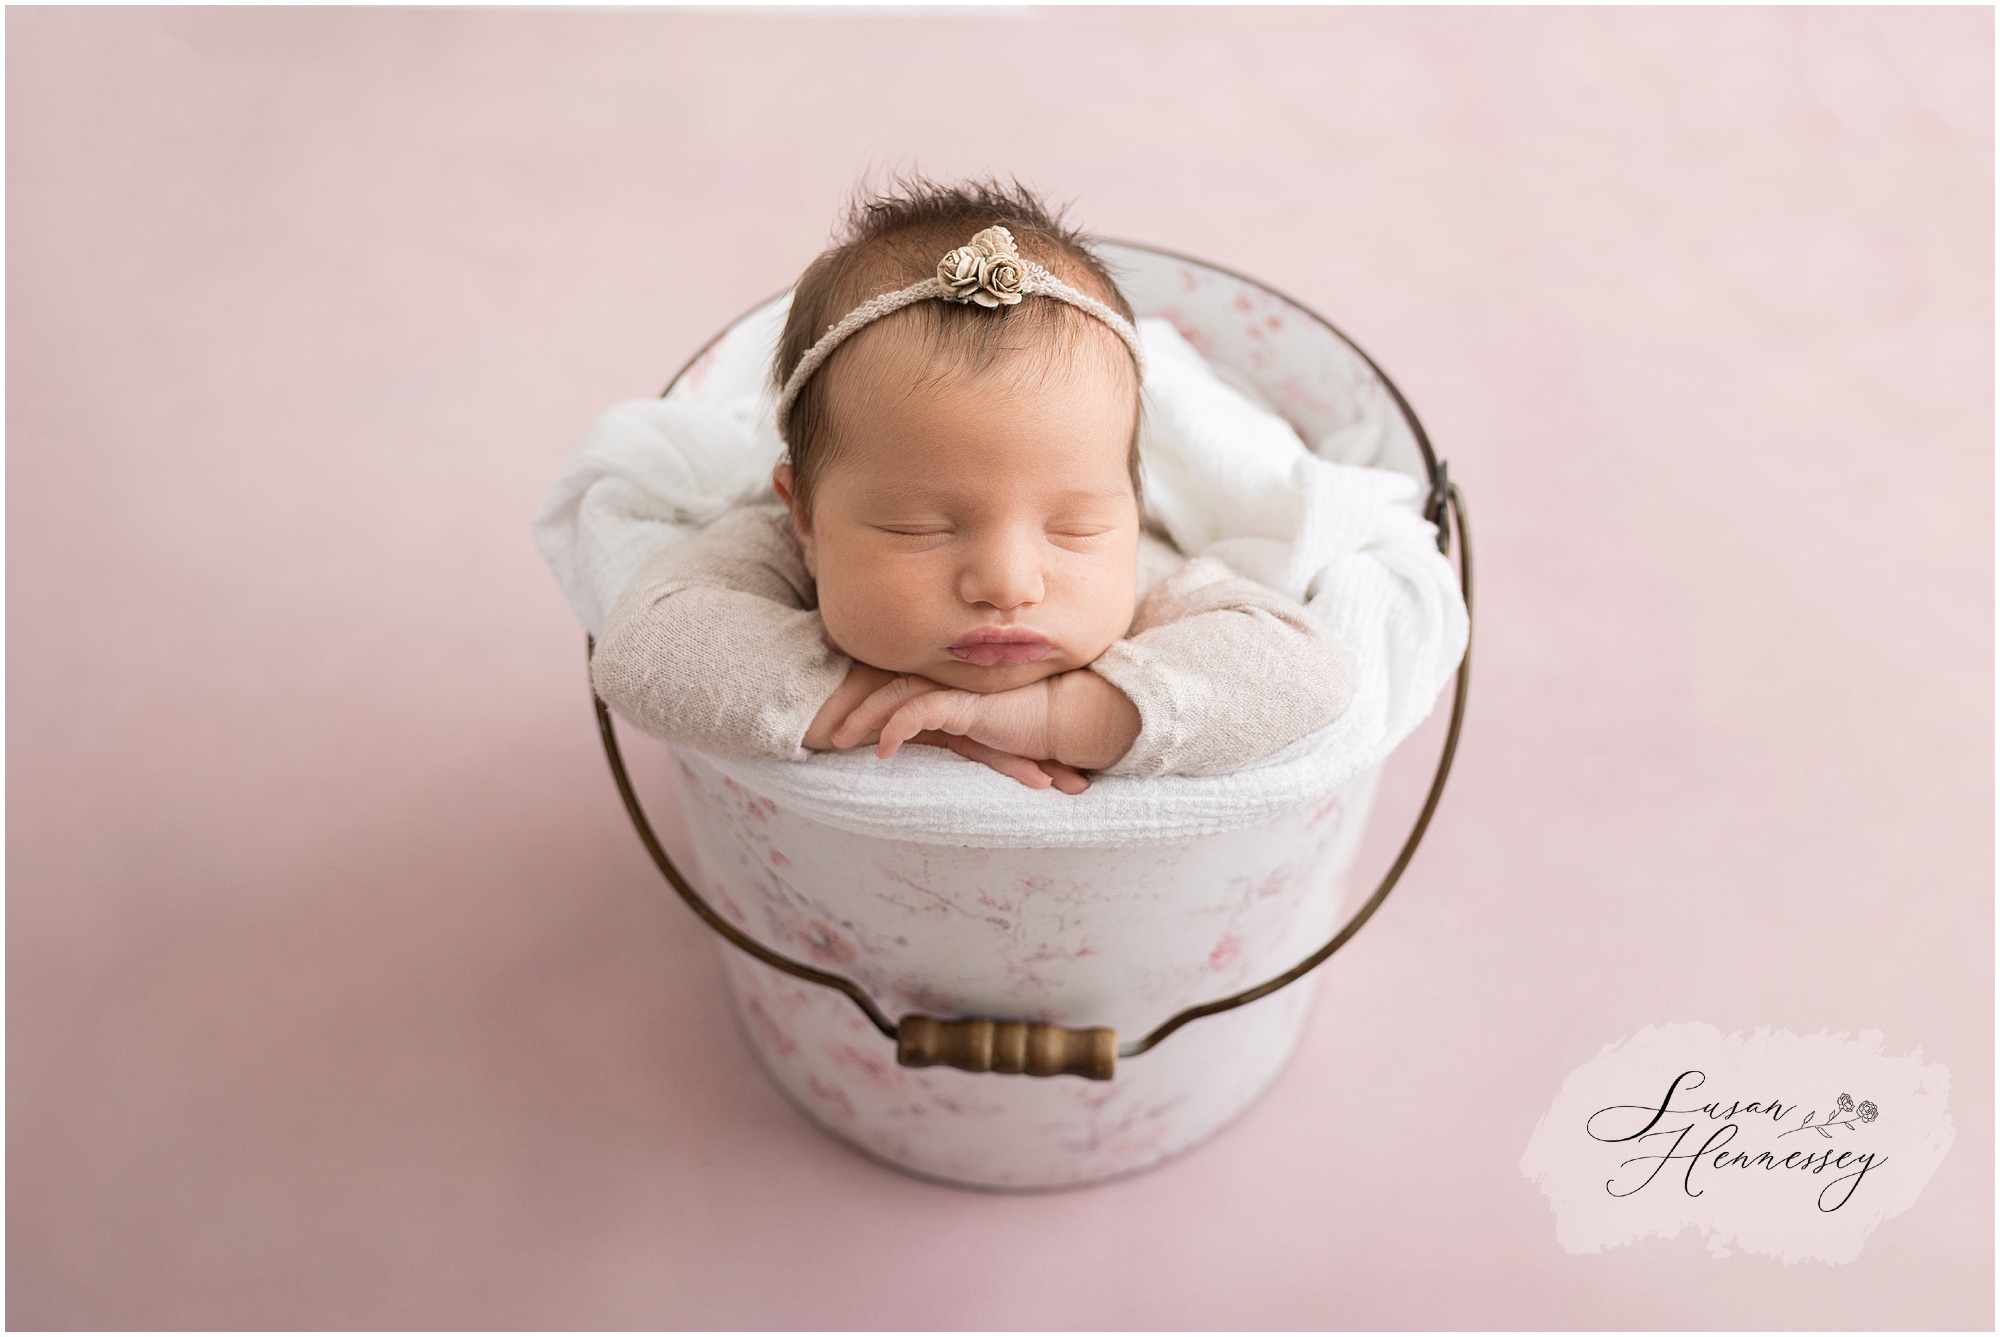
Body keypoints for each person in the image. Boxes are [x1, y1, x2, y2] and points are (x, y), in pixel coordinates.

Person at [591, 178, 1353, 793]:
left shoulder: (1144, 585)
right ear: (806, 520)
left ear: (1131, 508)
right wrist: (893, 707)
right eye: (920, 528)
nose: (1009, 583)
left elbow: (1306, 672)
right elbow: (643, 648)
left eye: (1076, 527)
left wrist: (1067, 715)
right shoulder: (774, 549)